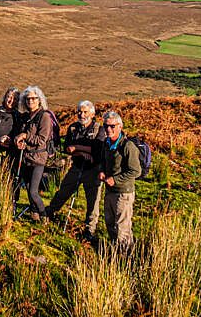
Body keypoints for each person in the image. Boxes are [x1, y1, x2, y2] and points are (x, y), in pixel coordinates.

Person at [47, 100, 105, 241]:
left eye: (85, 112)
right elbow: (67, 148)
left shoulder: (100, 129)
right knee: (63, 191)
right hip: (76, 167)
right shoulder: (72, 128)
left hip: (93, 170)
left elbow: (97, 150)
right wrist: (82, 152)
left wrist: (77, 148)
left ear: (92, 114)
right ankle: (49, 213)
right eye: (79, 111)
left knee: (93, 201)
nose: (82, 115)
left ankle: (90, 229)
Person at [98, 110, 142, 252]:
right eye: (106, 126)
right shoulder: (106, 143)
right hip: (109, 191)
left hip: (124, 193)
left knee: (122, 228)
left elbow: (136, 171)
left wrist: (115, 180)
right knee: (110, 224)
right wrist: (102, 171)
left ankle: (126, 257)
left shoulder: (128, 146)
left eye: (112, 126)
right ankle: (115, 252)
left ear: (120, 127)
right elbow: (103, 162)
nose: (108, 129)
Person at [14, 86, 55, 223]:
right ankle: (34, 214)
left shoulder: (44, 117)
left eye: (33, 98)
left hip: (38, 158)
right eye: (27, 99)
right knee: (28, 188)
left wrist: (25, 136)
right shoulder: (26, 117)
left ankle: (44, 215)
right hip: (26, 157)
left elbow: (42, 140)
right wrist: (19, 141)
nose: (30, 101)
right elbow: (21, 135)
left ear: (39, 100)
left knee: (33, 191)